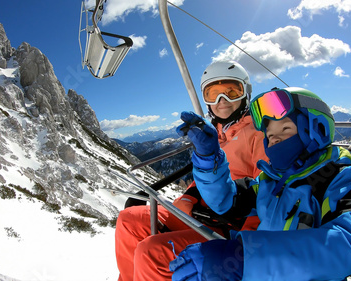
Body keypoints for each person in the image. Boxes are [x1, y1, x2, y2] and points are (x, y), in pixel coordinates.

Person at [170, 87, 351, 281]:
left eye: (285, 129)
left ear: (316, 129)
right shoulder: (268, 181)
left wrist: (245, 261)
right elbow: (225, 201)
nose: (275, 139)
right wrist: (209, 158)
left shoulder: (340, 178)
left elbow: (345, 245)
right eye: (269, 135)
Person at [114, 61, 268, 280]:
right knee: (129, 220)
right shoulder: (216, 134)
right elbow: (206, 176)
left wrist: (243, 245)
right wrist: (190, 195)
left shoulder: (259, 133)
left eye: (231, 92)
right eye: (213, 94)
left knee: (152, 251)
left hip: (230, 225)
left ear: (245, 93)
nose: (221, 101)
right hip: (201, 211)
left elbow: (267, 191)